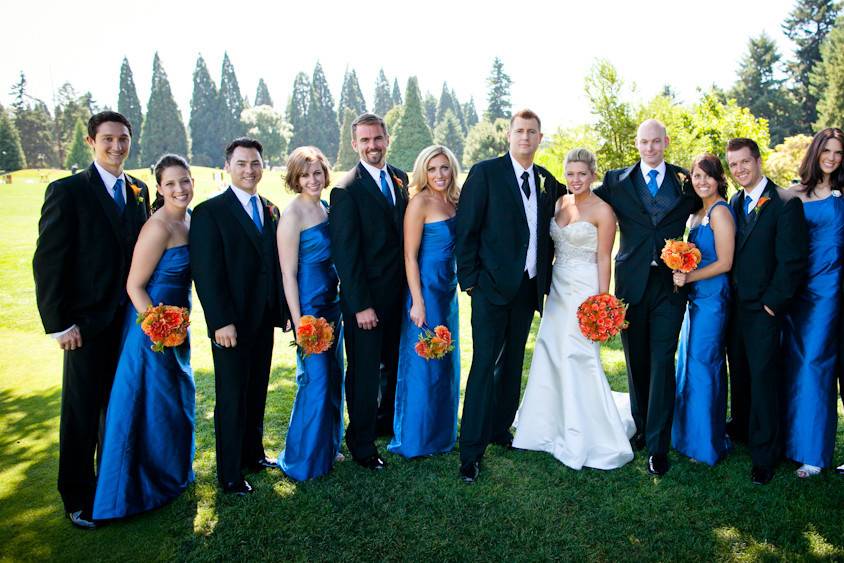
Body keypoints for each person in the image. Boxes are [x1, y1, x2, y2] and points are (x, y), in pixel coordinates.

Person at [33, 111, 150, 529]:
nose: (116, 146)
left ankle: (115, 486)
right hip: (85, 324)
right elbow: (48, 262)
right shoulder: (67, 191)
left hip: (129, 324)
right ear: (90, 142)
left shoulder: (139, 189)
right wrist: (59, 324)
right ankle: (77, 497)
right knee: (82, 412)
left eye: (123, 139)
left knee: (119, 406)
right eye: (108, 139)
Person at [455, 109, 562, 483]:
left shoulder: (548, 181)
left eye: (532, 132)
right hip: (489, 288)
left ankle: (501, 429)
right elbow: (465, 229)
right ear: (509, 135)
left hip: (527, 288)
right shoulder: (485, 173)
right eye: (519, 131)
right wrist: (470, 281)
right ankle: (470, 450)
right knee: (484, 364)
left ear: (539, 137)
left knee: (513, 361)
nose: (525, 137)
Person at [513, 148, 634, 470]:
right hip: (557, 290)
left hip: (585, 291)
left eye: (582, 174)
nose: (575, 180)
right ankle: (544, 426)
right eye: (570, 174)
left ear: (593, 174)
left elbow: (603, 258)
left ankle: (590, 431)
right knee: (550, 350)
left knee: (579, 356)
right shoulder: (558, 204)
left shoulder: (604, 211)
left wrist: (601, 302)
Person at [593, 119, 699, 476]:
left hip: (670, 286)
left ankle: (658, 445)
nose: (650, 148)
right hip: (631, 284)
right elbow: (584, 202)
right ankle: (640, 426)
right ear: (636, 144)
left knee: (661, 360)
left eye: (656, 141)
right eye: (644, 142)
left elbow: (711, 203)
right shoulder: (615, 181)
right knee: (635, 359)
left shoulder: (685, 182)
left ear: (666, 142)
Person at [93, 154, 195, 519]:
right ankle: (137, 488)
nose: (180, 189)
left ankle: (171, 473)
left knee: (174, 403)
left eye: (184, 181)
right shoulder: (158, 227)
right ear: (159, 188)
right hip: (152, 333)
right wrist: (158, 326)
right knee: (152, 406)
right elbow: (134, 286)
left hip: (178, 328)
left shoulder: (188, 220)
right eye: (171, 184)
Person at [190, 138, 287, 495]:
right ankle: (230, 474)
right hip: (230, 323)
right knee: (231, 396)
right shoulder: (209, 212)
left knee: (257, 389)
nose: (249, 170)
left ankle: (253, 454)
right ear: (228, 166)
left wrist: (282, 312)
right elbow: (206, 271)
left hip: (262, 319)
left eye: (256, 163)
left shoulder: (271, 209)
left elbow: (274, 268)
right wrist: (220, 321)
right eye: (242, 163)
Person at [726, 137, 808, 485]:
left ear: (758, 161)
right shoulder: (734, 201)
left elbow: (792, 260)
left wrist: (773, 303)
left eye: (744, 162)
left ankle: (765, 455)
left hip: (764, 309)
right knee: (741, 373)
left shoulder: (785, 202)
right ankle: (744, 432)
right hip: (735, 308)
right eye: (733, 165)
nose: (739, 169)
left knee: (764, 381)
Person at [329, 113, 408, 471]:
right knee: (363, 372)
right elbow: (346, 254)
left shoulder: (401, 178)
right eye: (365, 140)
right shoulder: (345, 190)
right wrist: (360, 305)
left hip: (399, 296)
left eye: (377, 138)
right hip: (366, 301)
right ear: (354, 144)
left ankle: (384, 423)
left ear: (387, 138)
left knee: (393, 364)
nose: (372, 146)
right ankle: (361, 444)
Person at [388, 145, 461, 458]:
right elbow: (409, 255)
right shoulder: (419, 202)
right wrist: (417, 301)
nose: (439, 175)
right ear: (423, 172)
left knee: (444, 363)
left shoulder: (455, 201)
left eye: (444, 168)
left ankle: (441, 433)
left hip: (449, 292)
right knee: (423, 363)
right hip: (426, 291)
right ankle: (417, 438)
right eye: (432, 169)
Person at [277, 147, 344, 481]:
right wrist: (299, 319)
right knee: (314, 381)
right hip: (310, 310)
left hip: (333, 306)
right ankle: (303, 458)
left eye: (317, 172)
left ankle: (328, 447)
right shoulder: (292, 215)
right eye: (305, 174)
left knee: (333, 377)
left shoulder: (325, 207)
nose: (312, 179)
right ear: (295, 178)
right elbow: (288, 273)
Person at [781, 128, 844, 478]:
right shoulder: (796, 193)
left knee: (814, 364)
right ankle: (790, 443)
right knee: (792, 362)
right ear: (816, 151)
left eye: (839, 153)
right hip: (797, 289)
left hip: (830, 289)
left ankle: (814, 454)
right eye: (828, 151)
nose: (833, 158)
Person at [671, 154, 735, 466]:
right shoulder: (698, 213)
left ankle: (706, 443)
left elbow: (725, 262)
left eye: (707, 176)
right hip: (695, 298)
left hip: (713, 299)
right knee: (689, 363)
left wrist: (689, 276)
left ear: (718, 178)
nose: (701, 181)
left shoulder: (721, 211)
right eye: (696, 176)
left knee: (704, 365)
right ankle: (686, 436)